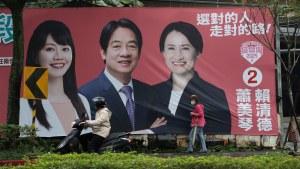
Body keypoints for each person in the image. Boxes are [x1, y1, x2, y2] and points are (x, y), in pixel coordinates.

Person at [79, 18, 166, 133]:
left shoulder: (151, 94)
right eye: (117, 46)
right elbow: (96, 138)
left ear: (139, 52)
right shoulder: (86, 95)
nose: (125, 53)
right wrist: (146, 132)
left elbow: (164, 128)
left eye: (131, 46)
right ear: (103, 52)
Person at [19, 20, 92, 142]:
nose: (58, 56)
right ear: (35, 56)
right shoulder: (26, 104)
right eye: (50, 49)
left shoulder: (81, 101)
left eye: (65, 49)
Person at [153, 21, 231, 134]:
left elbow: (221, 131)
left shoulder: (214, 94)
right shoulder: (151, 92)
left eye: (185, 48)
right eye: (171, 48)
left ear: (198, 52)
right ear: (163, 52)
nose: (178, 56)